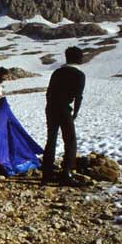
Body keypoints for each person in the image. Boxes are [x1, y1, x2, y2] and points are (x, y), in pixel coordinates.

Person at [42, 47, 86, 186]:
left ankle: (47, 173)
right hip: (65, 109)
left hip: (51, 108)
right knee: (70, 140)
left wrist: (50, 105)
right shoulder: (79, 75)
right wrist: (75, 113)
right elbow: (78, 96)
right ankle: (66, 172)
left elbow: (49, 92)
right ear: (79, 58)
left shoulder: (57, 72)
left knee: (51, 139)